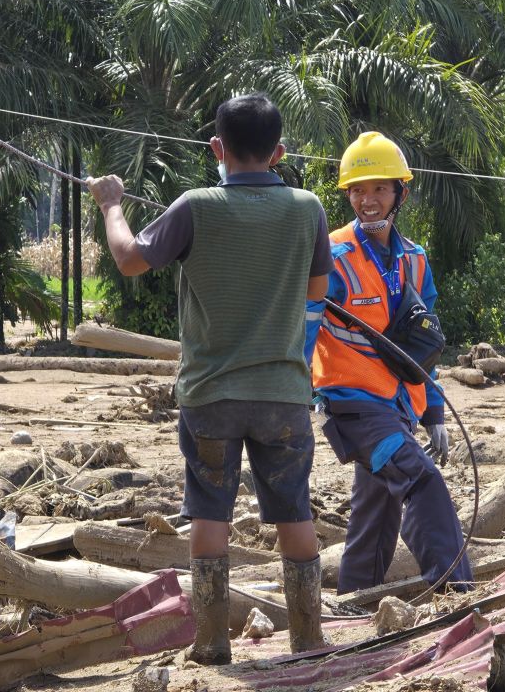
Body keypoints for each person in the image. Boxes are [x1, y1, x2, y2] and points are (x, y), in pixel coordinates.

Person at [86, 93, 333, 664]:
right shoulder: (308, 208)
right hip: (284, 396)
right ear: (279, 151)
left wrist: (111, 204)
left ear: (216, 148)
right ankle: (309, 640)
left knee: (210, 513)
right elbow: (316, 294)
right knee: (295, 512)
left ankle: (212, 642)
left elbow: (128, 258)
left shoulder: (197, 205)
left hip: (210, 396)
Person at [307, 132, 473, 595]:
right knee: (420, 480)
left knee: (377, 510)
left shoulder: (415, 260)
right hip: (354, 407)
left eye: (379, 188)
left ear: (400, 192)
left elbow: (424, 345)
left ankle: (356, 601)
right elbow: (300, 326)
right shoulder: (331, 257)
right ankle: (456, 590)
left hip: (399, 404)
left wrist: (433, 410)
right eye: (358, 190)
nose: (368, 199)